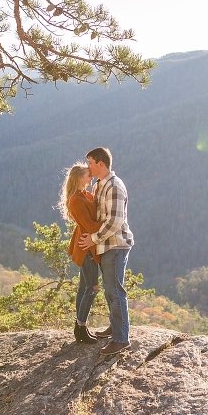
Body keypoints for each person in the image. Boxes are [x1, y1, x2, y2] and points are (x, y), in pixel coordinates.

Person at [78, 147, 134, 356]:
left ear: (100, 163)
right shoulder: (101, 184)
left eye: (90, 162)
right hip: (106, 244)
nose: (88, 167)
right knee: (111, 289)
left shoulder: (115, 186)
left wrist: (93, 239)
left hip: (115, 244)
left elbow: (115, 221)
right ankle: (115, 328)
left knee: (115, 290)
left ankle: (121, 339)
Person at [58, 162, 102, 344]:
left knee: (84, 288)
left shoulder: (86, 194)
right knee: (92, 288)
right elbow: (91, 226)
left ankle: (80, 328)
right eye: (88, 175)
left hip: (88, 244)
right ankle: (80, 327)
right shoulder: (75, 200)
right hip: (86, 247)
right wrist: (113, 222)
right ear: (78, 178)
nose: (91, 177)